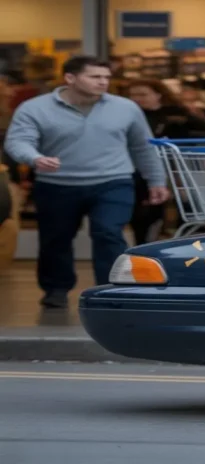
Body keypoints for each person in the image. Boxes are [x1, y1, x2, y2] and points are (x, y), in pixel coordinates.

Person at [3, 55, 169, 309]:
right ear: (70, 78)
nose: (103, 82)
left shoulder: (125, 108)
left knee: (109, 233)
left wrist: (156, 181)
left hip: (113, 182)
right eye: (95, 77)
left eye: (106, 77)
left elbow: (143, 147)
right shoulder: (35, 108)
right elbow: (17, 141)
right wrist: (35, 158)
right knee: (56, 239)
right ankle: (56, 289)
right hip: (56, 184)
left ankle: (112, 290)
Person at [126, 78, 205, 245]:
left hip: (179, 169)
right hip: (143, 171)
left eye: (143, 94)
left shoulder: (178, 115)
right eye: (133, 95)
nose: (137, 98)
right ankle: (145, 244)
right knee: (144, 215)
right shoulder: (128, 115)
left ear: (158, 95)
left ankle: (184, 242)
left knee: (186, 208)